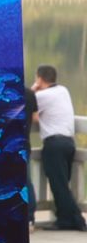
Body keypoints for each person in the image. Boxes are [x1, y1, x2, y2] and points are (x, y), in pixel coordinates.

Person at [33, 64, 87, 232]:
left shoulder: (42, 95)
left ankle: (78, 220)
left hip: (54, 144)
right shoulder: (63, 90)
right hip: (68, 143)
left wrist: (34, 89)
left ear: (40, 78)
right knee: (61, 184)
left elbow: (26, 103)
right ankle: (64, 219)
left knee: (59, 185)